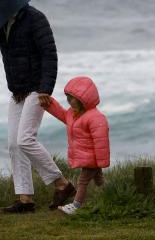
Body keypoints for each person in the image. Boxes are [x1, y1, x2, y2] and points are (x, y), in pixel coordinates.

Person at [0, 4, 75, 213]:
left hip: (36, 89)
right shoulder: (0, 22)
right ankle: (25, 199)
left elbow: (49, 54)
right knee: (14, 144)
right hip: (17, 92)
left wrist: (45, 89)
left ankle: (62, 183)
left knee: (25, 139)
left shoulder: (35, 18)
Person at [40, 76, 110, 215]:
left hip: (92, 160)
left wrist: (101, 162)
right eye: (67, 98)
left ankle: (76, 206)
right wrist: (49, 104)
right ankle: (113, 196)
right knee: (99, 180)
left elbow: (101, 141)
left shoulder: (95, 117)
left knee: (82, 181)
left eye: (72, 98)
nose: (69, 101)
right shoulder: (73, 114)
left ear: (83, 100)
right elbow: (61, 114)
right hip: (88, 159)